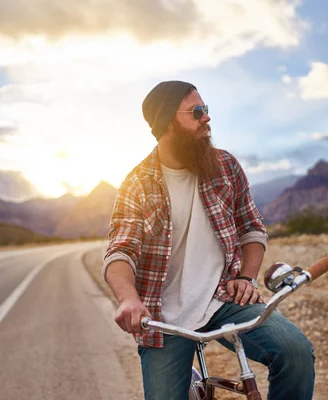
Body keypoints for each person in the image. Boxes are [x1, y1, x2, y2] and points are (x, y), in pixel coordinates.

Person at [102, 80, 315, 400]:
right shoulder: (137, 184)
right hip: (163, 320)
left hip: (225, 300)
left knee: (296, 354)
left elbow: (252, 228)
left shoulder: (225, 166)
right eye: (197, 112)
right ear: (167, 122)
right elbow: (121, 250)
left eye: (207, 110)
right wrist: (129, 299)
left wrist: (246, 277)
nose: (207, 119)